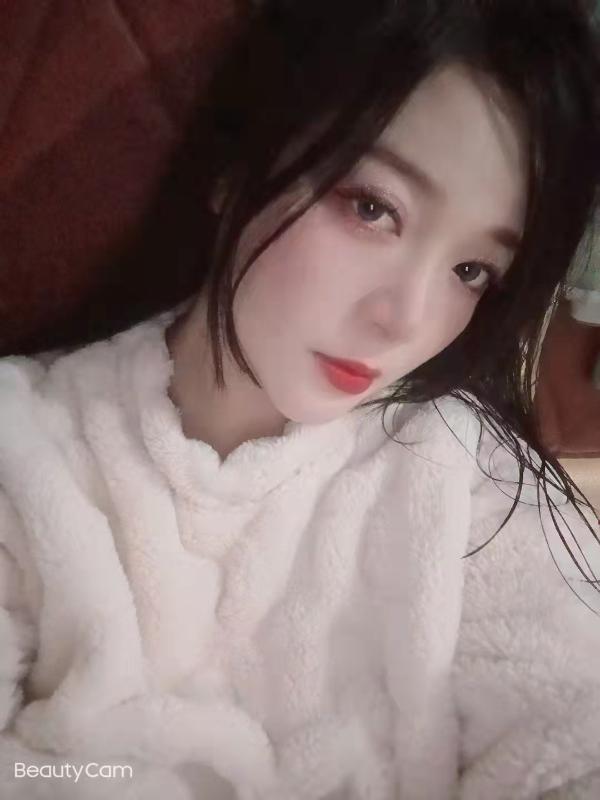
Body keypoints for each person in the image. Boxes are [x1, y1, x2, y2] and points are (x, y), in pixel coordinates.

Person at [0, 0, 599, 797]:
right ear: (240, 164)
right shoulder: (25, 448)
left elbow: (571, 723)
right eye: (373, 208)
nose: (408, 319)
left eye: (472, 271)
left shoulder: (464, 476)